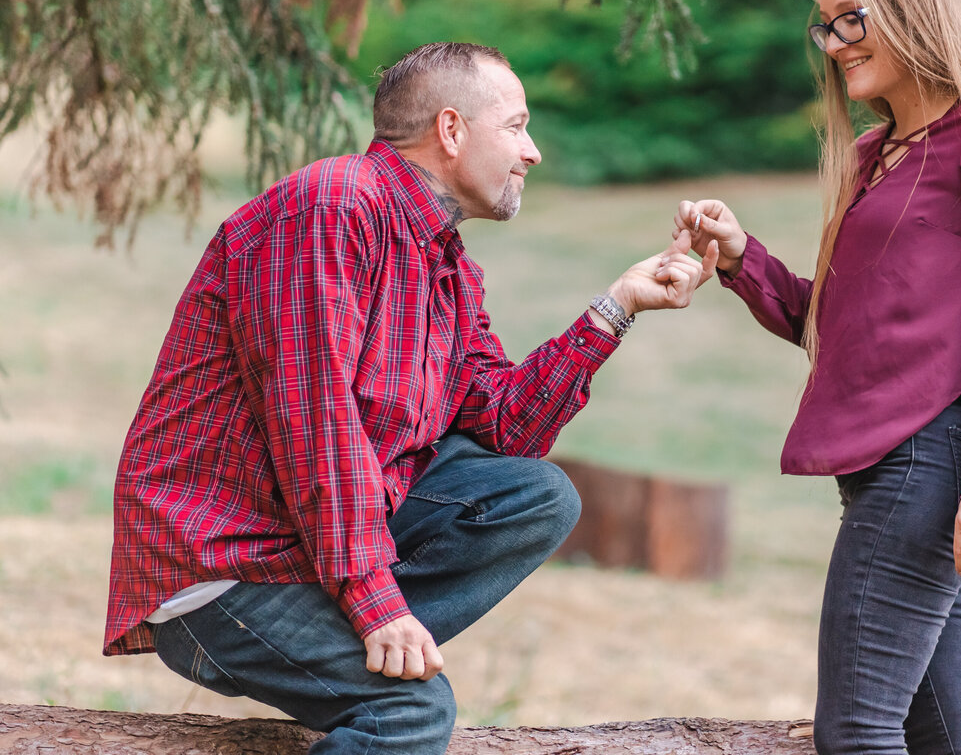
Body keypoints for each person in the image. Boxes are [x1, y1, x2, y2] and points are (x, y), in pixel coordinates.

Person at [104, 42, 717, 755]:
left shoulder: (447, 268)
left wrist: (618, 306)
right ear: (451, 131)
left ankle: (349, 650)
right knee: (412, 713)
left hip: (304, 549)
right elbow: (317, 428)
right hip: (226, 567)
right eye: (516, 126)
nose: (534, 152)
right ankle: (366, 653)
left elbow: (506, 430)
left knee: (538, 494)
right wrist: (374, 607)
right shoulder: (331, 209)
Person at [674, 0, 961, 755]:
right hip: (892, 472)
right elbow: (836, 329)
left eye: (851, 18)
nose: (834, 44)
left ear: (909, 3)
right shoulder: (878, 152)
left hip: (930, 465)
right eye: (825, 24)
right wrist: (741, 257)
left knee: (856, 730)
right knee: (941, 730)